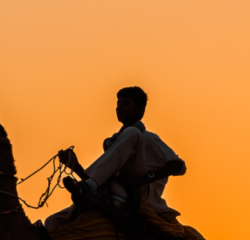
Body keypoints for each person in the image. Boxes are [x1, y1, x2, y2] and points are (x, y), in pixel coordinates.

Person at [45, 86, 186, 230]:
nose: (119, 108)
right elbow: (104, 176)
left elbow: (178, 166)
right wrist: (75, 166)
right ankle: (88, 186)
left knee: (132, 132)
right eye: (118, 103)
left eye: (125, 104)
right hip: (116, 189)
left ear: (140, 110)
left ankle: (89, 186)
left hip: (141, 191)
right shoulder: (115, 142)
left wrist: (143, 179)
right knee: (52, 221)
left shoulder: (147, 138)